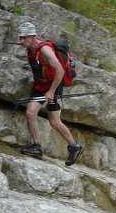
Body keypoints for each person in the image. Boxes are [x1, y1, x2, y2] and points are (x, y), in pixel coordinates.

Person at [16, 22, 84, 167]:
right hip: (40, 85)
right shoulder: (30, 48)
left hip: (54, 85)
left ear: (33, 36)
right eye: (20, 37)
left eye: (24, 38)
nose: (22, 41)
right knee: (30, 112)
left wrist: (52, 91)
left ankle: (74, 146)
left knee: (54, 121)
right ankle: (37, 147)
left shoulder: (45, 50)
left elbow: (60, 70)